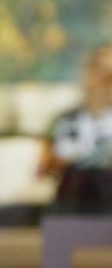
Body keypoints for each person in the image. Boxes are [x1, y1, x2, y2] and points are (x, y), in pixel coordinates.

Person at [38, 44, 112, 213]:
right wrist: (63, 159)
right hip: (73, 209)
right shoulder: (65, 120)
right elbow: (43, 169)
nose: (103, 82)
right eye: (99, 72)